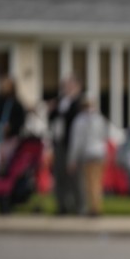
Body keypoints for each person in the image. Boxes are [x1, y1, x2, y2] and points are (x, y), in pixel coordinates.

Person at [48, 75, 83, 214]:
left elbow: (74, 120)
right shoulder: (59, 101)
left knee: (74, 177)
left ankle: (78, 206)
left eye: (70, 85)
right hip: (59, 142)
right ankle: (62, 206)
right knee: (59, 175)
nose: (67, 88)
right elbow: (52, 118)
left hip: (73, 144)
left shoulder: (79, 102)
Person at [68, 98, 108, 216]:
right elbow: (105, 137)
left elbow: (77, 141)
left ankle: (93, 208)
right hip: (99, 153)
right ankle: (96, 206)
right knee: (97, 182)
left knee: (89, 183)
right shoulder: (99, 119)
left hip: (88, 154)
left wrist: (72, 159)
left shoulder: (80, 120)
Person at [0, 76, 26, 174]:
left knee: (6, 161)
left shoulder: (16, 104)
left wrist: (11, 127)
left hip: (11, 138)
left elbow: (20, 121)